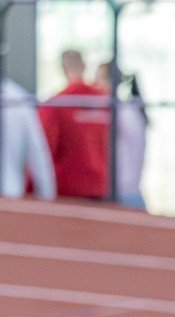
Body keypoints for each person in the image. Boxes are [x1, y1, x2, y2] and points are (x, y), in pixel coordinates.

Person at [40, 50, 110, 199]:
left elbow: (44, 148)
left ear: (63, 68)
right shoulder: (105, 102)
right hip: (102, 186)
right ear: (84, 66)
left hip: (68, 189)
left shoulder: (56, 104)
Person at [95, 64, 147, 210]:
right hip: (130, 191)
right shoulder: (130, 110)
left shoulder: (119, 113)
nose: (94, 85)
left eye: (98, 79)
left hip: (121, 194)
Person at [0, 77, 56, 200]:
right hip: (11, 194)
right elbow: (37, 151)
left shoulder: (17, 97)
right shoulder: (18, 96)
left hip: (9, 195)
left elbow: (36, 151)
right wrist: (46, 193)